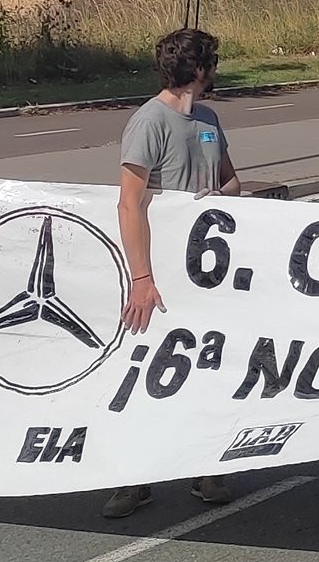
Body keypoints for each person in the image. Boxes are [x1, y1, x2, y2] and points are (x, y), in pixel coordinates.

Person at [103, 28, 242, 520]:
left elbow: (230, 180)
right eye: (214, 62)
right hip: (160, 272)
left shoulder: (208, 118)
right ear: (199, 69)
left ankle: (206, 468)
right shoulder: (149, 121)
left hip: (206, 270)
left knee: (205, 368)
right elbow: (129, 202)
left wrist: (220, 199)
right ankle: (133, 478)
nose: (217, 70)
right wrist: (141, 278)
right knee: (146, 374)